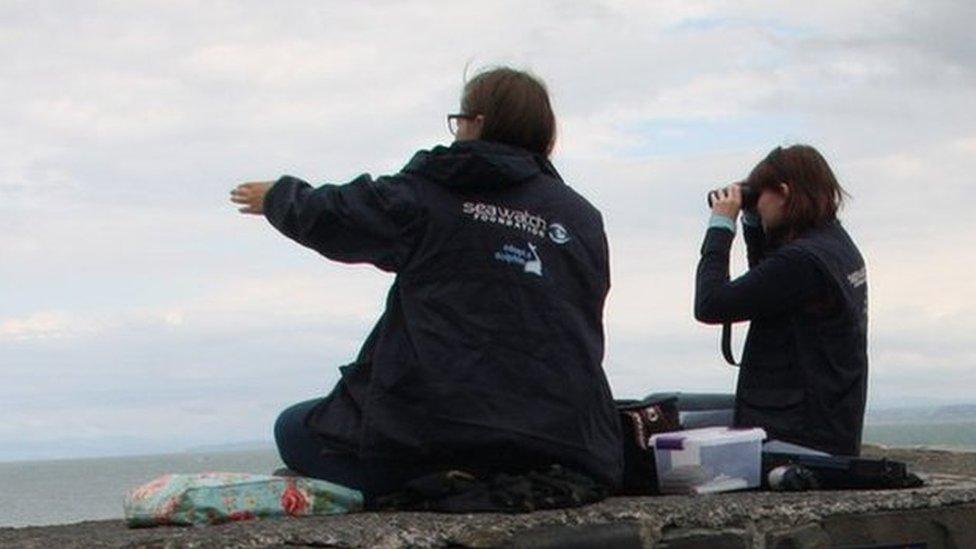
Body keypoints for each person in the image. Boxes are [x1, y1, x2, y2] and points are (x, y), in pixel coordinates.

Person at [229, 67, 623, 499]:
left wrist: (277, 197)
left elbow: (342, 214)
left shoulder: (433, 192)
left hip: (441, 431)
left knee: (292, 428)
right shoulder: (582, 219)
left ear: (476, 123)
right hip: (565, 441)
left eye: (461, 119)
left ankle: (441, 479)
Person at [694, 145, 868, 456]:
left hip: (797, 434)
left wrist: (721, 226)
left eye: (758, 197)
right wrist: (751, 221)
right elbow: (768, 288)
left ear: (784, 192)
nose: (757, 206)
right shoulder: (836, 247)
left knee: (683, 425)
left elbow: (711, 304)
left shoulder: (802, 261)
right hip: (826, 424)